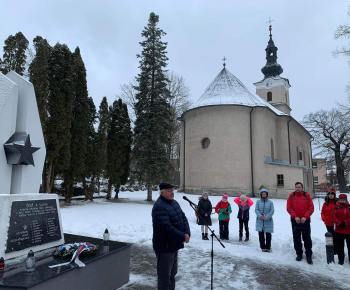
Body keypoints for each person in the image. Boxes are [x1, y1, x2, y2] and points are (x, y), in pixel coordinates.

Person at [152, 182, 191, 290]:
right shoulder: (159, 207)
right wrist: (182, 237)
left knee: (172, 274)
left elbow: (183, 218)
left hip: (173, 245)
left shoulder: (174, 203)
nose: (172, 193)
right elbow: (166, 228)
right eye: (169, 191)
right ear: (162, 193)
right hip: (164, 247)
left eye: (172, 190)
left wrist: (187, 233)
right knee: (164, 277)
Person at [286, 182, 314, 265]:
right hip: (295, 221)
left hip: (305, 221)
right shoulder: (291, 196)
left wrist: (305, 217)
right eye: (296, 187)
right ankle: (299, 254)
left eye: (299, 187)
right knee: (296, 238)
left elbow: (311, 208)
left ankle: (308, 255)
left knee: (307, 239)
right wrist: (295, 216)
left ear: (302, 188)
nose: (297, 188)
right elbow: (289, 208)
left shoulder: (307, 196)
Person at [334, 194, 350, 265]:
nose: (342, 201)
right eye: (341, 200)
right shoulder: (336, 207)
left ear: (346, 200)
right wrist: (339, 223)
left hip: (348, 231)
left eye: (343, 200)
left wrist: (345, 222)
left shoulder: (349, 207)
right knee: (340, 246)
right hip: (339, 230)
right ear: (339, 200)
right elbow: (333, 217)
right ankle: (341, 259)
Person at [321, 188, 338, 254]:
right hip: (328, 223)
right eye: (330, 194)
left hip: (336, 223)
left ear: (334, 195)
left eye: (332, 194)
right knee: (330, 236)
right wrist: (324, 219)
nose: (331, 196)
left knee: (336, 236)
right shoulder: (325, 204)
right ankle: (332, 249)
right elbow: (323, 212)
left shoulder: (337, 203)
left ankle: (337, 249)